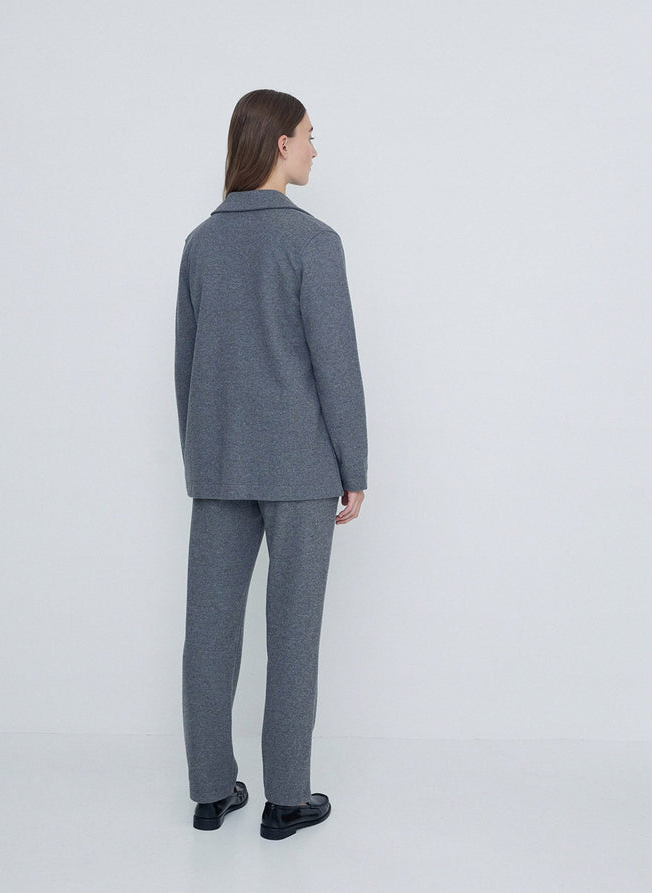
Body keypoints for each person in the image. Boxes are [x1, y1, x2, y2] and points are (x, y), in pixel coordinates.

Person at [174, 89, 368, 840]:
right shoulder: (313, 241)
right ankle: (286, 799)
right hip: (300, 468)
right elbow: (336, 367)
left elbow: (187, 370)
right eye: (310, 135)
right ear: (281, 143)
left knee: (209, 628)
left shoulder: (200, 243)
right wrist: (354, 465)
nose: (316, 149)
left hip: (220, 463)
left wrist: (201, 458)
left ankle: (209, 790)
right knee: (293, 631)